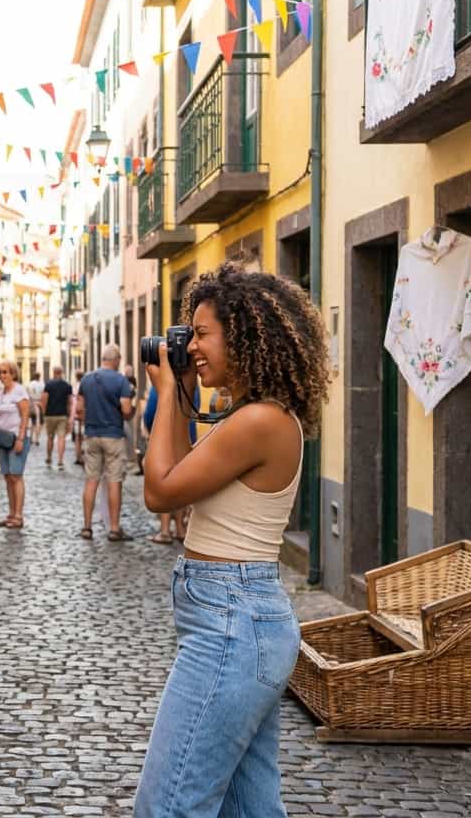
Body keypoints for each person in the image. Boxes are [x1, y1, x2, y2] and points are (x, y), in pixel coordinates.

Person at [135, 264, 331, 818]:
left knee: (167, 806)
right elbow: (179, 467)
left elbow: (160, 490)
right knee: (249, 810)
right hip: (239, 621)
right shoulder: (250, 416)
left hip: (232, 622)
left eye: (202, 333)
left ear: (245, 337)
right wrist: (180, 393)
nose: (191, 346)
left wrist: (170, 390)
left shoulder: (260, 422)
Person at [76, 345, 135, 541]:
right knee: (114, 481)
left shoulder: (86, 379)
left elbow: (79, 409)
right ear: (116, 359)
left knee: (91, 481)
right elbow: (126, 411)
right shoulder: (121, 380)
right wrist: (129, 410)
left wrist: (90, 421)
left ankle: (86, 527)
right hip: (113, 435)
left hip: (92, 434)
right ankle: (114, 528)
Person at [0, 360, 31, 528]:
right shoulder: (1, 392)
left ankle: (19, 516)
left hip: (16, 438)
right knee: (8, 477)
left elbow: (25, 416)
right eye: (0, 372)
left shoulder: (19, 391)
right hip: (3, 439)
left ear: (13, 373)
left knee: (16, 476)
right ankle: (11, 513)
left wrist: (21, 439)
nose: (2, 375)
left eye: (5, 372)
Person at [141, 387, 176, 545]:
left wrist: (151, 434)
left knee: (167, 479)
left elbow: (149, 415)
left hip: (165, 439)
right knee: (180, 482)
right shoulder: (193, 383)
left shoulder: (162, 384)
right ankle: (181, 528)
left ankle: (165, 530)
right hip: (187, 436)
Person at [40, 366, 72, 470]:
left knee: (50, 437)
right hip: (62, 415)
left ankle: (49, 458)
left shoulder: (48, 385)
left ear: (53, 372)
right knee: (61, 438)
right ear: (62, 373)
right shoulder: (67, 386)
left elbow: (44, 399)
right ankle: (60, 461)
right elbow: (70, 402)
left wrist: (44, 412)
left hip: (50, 415)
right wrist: (69, 415)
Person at [25, 371, 45, 446]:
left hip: (31, 404)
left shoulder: (29, 384)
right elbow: (43, 395)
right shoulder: (42, 384)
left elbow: (27, 395)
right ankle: (37, 439)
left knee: (33, 422)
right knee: (40, 423)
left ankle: (30, 438)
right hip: (39, 404)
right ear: (39, 376)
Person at [71, 370, 86, 466]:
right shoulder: (86, 385)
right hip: (84, 413)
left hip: (75, 413)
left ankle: (78, 456)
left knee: (77, 436)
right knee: (84, 436)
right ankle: (83, 455)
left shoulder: (74, 386)